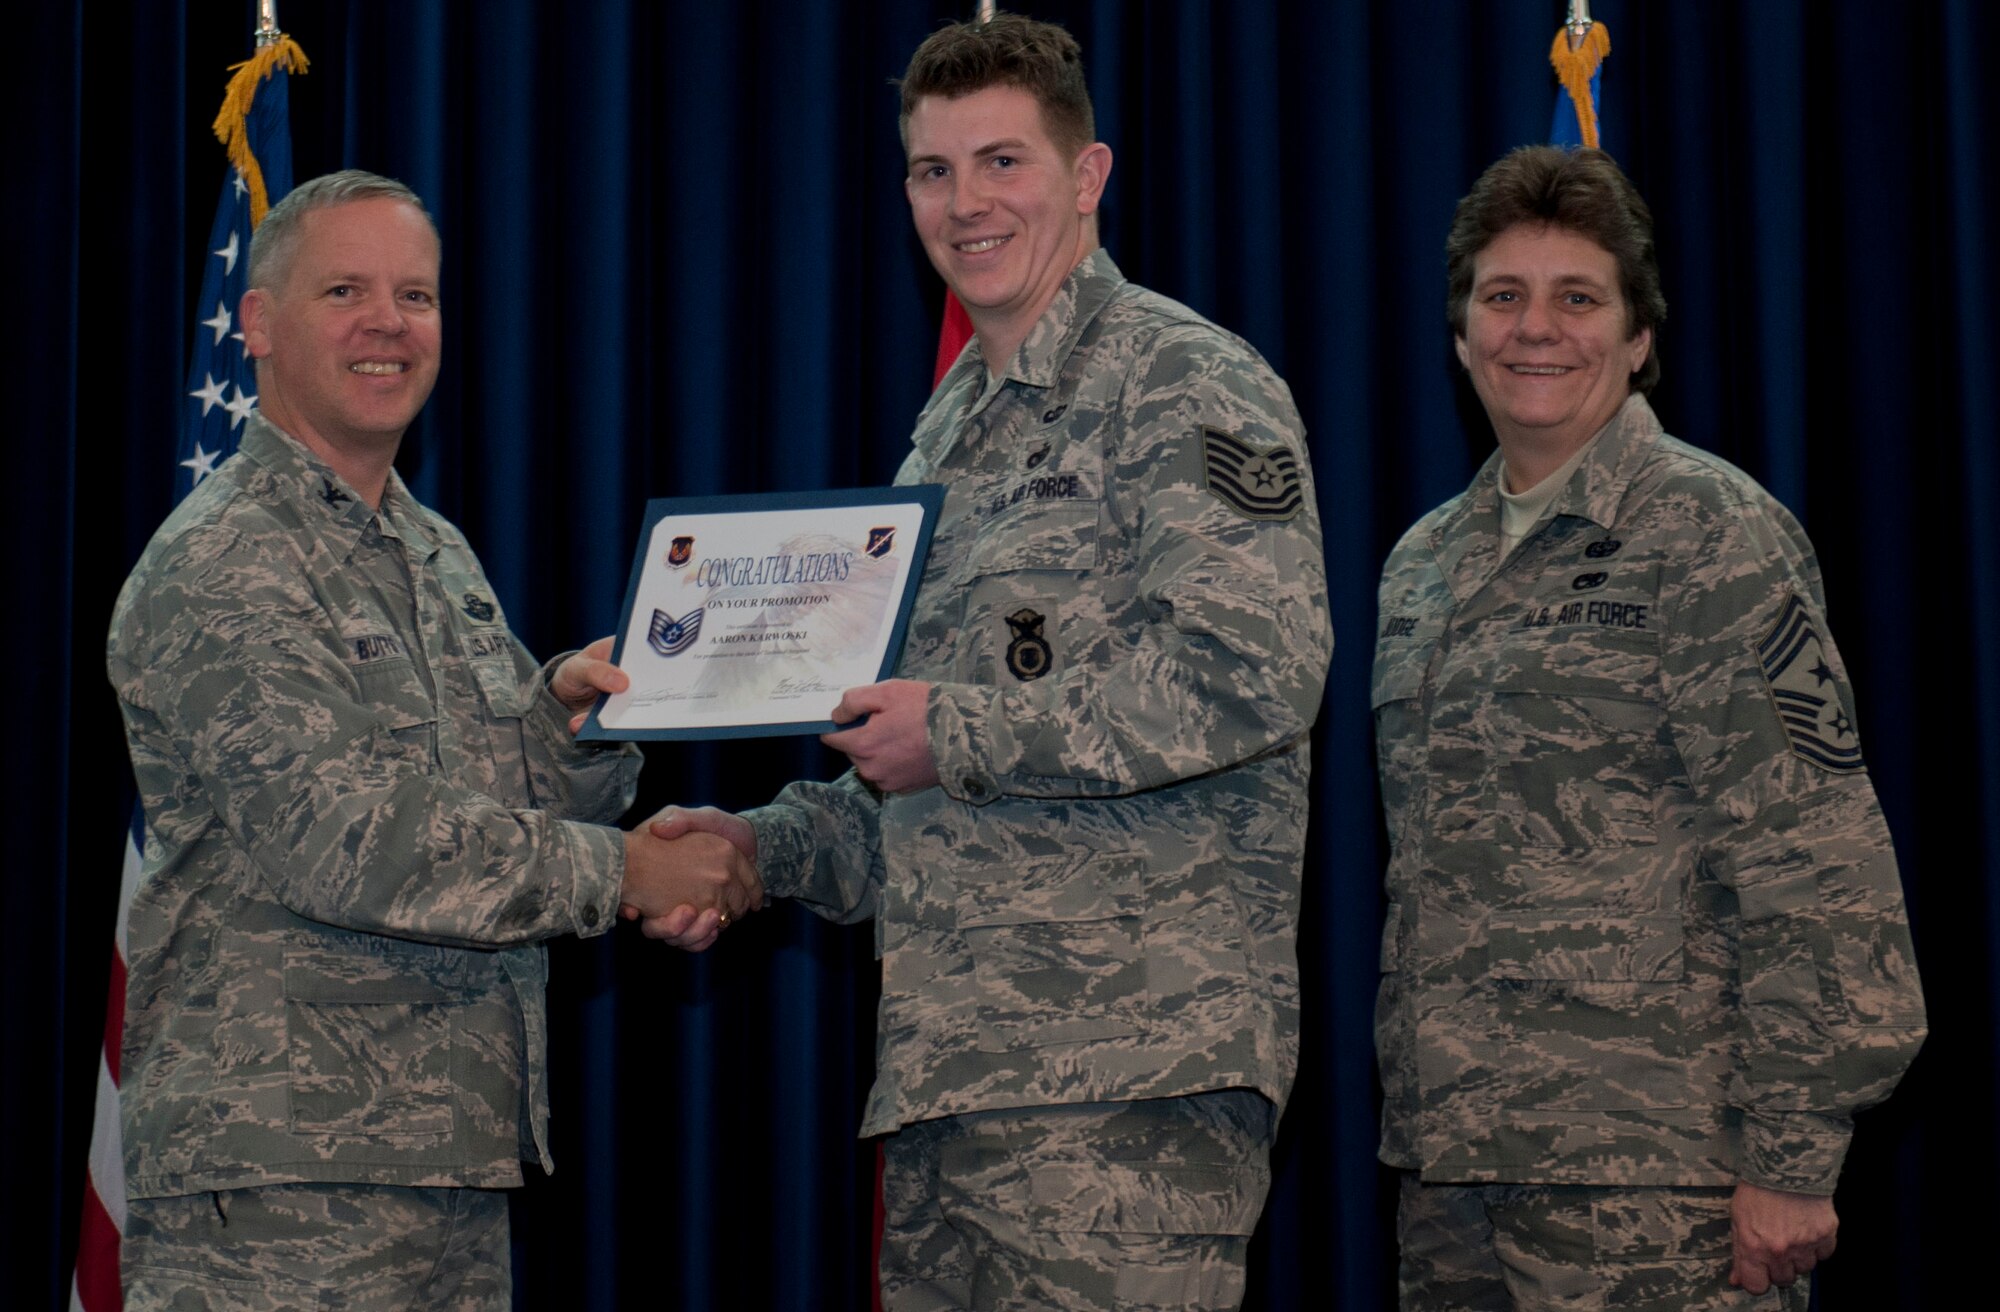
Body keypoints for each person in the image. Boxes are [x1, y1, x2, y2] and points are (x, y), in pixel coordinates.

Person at [640, 14, 1330, 1310]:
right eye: (933, 170)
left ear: (1087, 175)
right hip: (952, 1086)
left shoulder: (1185, 382)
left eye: (1002, 162)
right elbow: (910, 788)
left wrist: (952, 732)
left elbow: (1253, 673)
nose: (966, 204)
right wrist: (753, 853)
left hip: (1127, 1079)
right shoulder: (943, 440)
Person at [107, 170, 759, 1310]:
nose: (388, 324)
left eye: (415, 295)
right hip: (281, 1183)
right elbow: (346, 839)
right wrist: (626, 875)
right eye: (345, 291)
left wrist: (569, 723)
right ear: (257, 324)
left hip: (445, 1158)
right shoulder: (225, 560)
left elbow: (498, 804)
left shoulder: (433, 549)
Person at [1371, 145, 1926, 1310]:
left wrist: (1791, 1156)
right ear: (1460, 334)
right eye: (1501, 295)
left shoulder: (1711, 532)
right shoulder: (1420, 565)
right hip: (1452, 1178)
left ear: (1635, 337)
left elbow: (1815, 853)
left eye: (1577, 297)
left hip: (1658, 1180)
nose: (1535, 327)